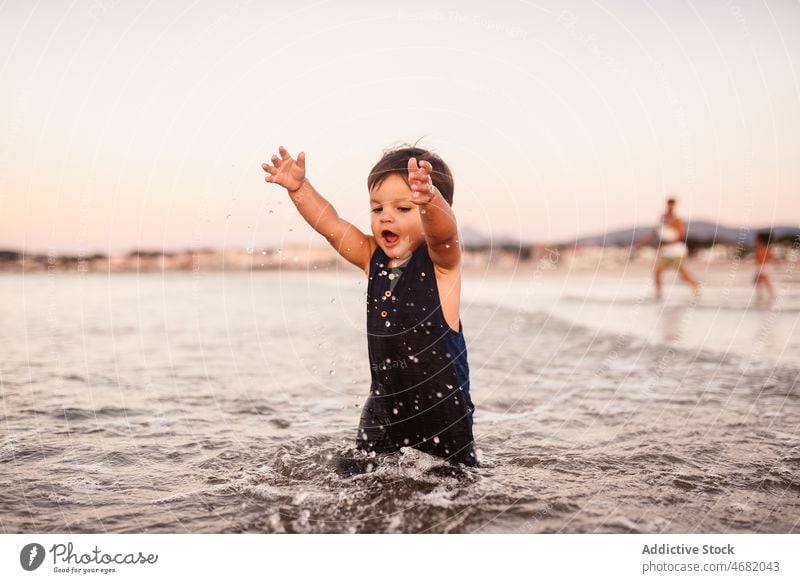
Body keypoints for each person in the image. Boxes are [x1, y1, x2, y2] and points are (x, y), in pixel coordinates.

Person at [262, 145, 478, 468]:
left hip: (442, 421)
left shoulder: (442, 266)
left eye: (404, 208)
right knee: (363, 484)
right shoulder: (372, 257)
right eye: (377, 209)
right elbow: (331, 226)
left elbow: (445, 234)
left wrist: (430, 200)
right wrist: (299, 188)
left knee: (448, 491)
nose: (386, 217)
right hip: (383, 416)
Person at [637, 197, 700, 300]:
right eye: (669, 204)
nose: (670, 207)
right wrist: (642, 242)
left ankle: (696, 288)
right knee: (657, 272)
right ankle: (658, 294)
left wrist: (665, 244)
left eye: (672, 205)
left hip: (676, 252)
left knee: (682, 274)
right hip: (666, 253)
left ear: (674, 206)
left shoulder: (677, 220)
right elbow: (655, 232)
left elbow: (680, 236)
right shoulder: (662, 218)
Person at [753, 231, 776, 301]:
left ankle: (771, 295)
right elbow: (758, 257)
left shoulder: (765, 247)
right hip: (760, 266)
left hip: (764, 266)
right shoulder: (759, 247)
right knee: (757, 281)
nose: (755, 239)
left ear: (760, 239)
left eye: (757, 238)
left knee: (764, 281)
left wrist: (777, 262)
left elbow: (771, 256)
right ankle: (763, 295)